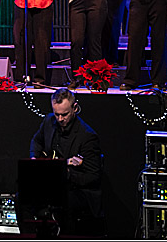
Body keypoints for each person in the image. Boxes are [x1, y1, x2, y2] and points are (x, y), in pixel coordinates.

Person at [29, 89, 104, 236]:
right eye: (57, 114)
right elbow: (36, 141)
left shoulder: (87, 136)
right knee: (22, 198)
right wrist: (34, 159)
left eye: (65, 114)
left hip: (77, 190)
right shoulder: (49, 122)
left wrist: (65, 172)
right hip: (54, 185)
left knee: (65, 202)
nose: (60, 119)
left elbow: (93, 177)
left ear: (75, 108)